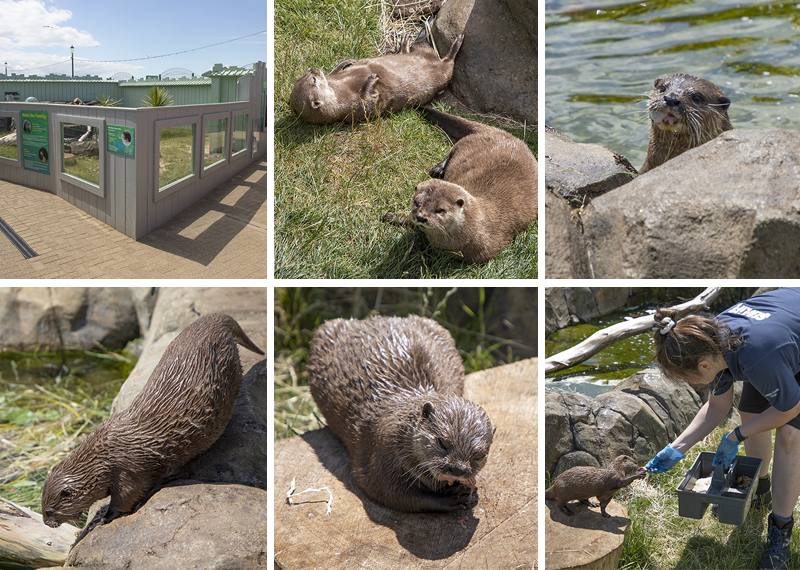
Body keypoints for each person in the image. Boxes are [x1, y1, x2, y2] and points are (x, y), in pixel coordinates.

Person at [645, 287, 800, 570]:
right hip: (774, 336)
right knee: (750, 411)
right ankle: (759, 490)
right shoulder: (710, 342)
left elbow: (789, 409)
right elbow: (718, 408)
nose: (692, 384)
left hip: (777, 343)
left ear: (704, 365)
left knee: (790, 435)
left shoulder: (758, 355)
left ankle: (780, 531)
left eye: (689, 378)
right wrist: (676, 448)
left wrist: (736, 435)